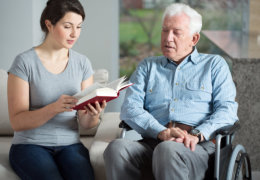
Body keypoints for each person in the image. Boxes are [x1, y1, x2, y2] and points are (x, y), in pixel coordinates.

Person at [104, 3, 238, 180]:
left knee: (167, 149)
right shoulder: (147, 67)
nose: (168, 38)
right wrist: (161, 132)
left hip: (197, 148)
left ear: (194, 39)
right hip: (154, 142)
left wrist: (197, 134)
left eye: (176, 32)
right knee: (116, 148)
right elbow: (129, 109)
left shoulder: (214, 65)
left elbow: (227, 110)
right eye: (165, 30)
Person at [7, 0, 106, 179]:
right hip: (29, 146)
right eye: (67, 26)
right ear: (49, 24)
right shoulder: (24, 62)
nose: (74, 34)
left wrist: (93, 115)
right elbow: (17, 122)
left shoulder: (82, 63)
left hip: (71, 146)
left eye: (79, 27)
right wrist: (53, 108)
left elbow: (86, 124)